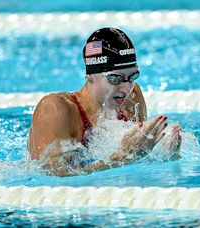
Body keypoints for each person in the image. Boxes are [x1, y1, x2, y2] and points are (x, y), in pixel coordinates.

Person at [27, 27, 182, 176]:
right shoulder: (56, 108)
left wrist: (166, 157)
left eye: (133, 77)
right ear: (90, 76)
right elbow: (52, 176)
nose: (126, 88)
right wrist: (121, 157)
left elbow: (137, 158)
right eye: (115, 78)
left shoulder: (131, 98)